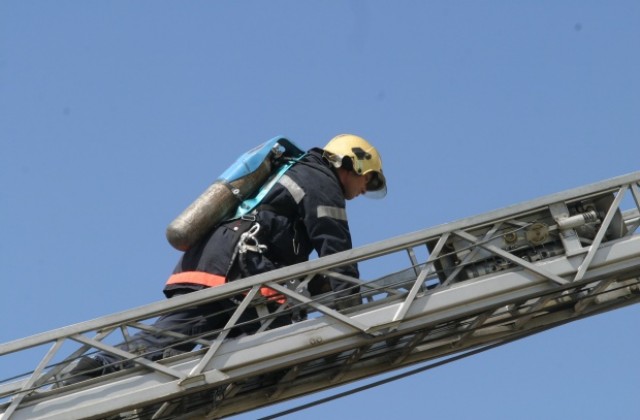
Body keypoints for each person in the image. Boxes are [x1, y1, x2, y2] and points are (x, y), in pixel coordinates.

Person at [60, 133, 387, 385]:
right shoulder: (321, 181)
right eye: (367, 178)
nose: (364, 189)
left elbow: (305, 263)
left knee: (169, 341)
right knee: (286, 337)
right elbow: (335, 248)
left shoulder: (299, 173)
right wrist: (352, 308)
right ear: (350, 163)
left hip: (212, 263)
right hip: (238, 273)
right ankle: (96, 370)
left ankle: (93, 369)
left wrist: (322, 288)